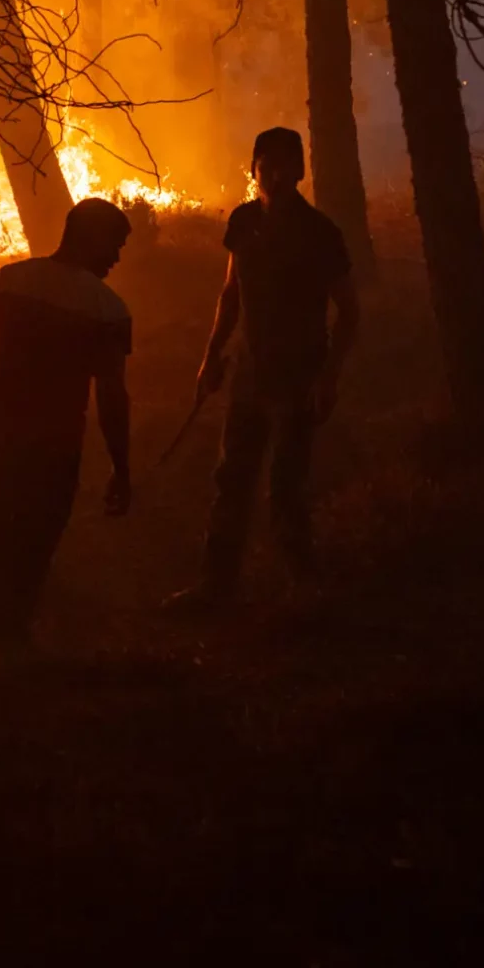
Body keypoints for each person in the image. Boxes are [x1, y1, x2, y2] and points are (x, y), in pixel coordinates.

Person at [167, 126, 360, 609]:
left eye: (284, 164)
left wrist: (328, 376)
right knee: (231, 478)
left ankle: (302, 587)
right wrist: (211, 358)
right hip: (250, 374)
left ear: (299, 170)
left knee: (286, 485)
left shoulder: (320, 233)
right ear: (252, 168)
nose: (274, 174)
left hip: (299, 375)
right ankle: (217, 585)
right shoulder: (245, 222)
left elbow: (349, 309)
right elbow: (231, 294)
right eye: (265, 163)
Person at [0, 197, 135, 654]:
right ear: (87, 239)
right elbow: (111, 395)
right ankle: (14, 633)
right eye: (114, 245)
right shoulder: (107, 308)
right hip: (52, 450)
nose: (116, 258)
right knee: (34, 544)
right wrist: (121, 469)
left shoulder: (9, 280)